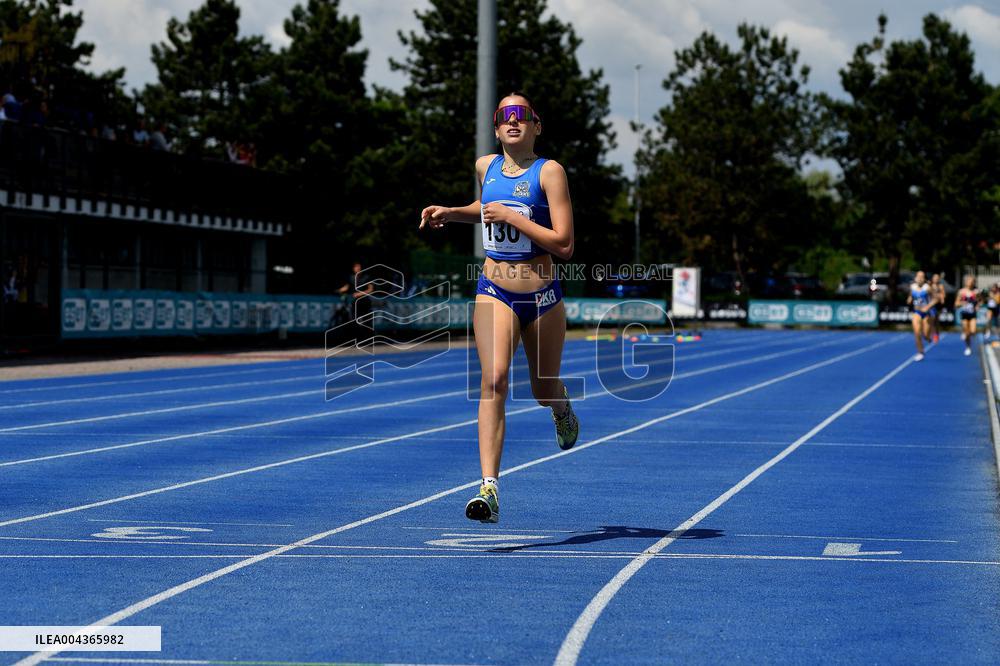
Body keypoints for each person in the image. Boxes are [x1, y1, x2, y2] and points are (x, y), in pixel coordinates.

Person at [419, 93, 579, 524]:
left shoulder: (550, 172)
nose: (513, 121)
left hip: (542, 297)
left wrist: (515, 219)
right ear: (496, 128)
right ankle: (489, 487)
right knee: (493, 379)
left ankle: (561, 406)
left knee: (543, 389)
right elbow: (486, 208)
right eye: (505, 116)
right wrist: (453, 212)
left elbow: (564, 244)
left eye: (522, 115)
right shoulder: (484, 166)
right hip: (495, 290)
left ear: (536, 126)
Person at [907, 271, 933, 361]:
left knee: (925, 335)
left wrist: (928, 307)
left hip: (926, 314)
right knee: (917, 333)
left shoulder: (927, 288)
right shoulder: (912, 287)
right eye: (918, 276)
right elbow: (911, 296)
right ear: (915, 278)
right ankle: (920, 352)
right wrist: (909, 299)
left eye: (922, 277)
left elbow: (936, 298)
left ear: (924, 279)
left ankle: (928, 337)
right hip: (917, 312)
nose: (920, 278)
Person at [954, 276, 979, 357]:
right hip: (964, 313)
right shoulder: (961, 291)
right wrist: (962, 303)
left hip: (972, 314)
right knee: (966, 331)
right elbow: (956, 303)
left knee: (973, 331)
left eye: (972, 281)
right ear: (966, 282)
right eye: (969, 281)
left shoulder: (976, 292)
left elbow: (980, 301)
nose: (970, 283)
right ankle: (968, 347)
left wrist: (978, 305)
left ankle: (966, 334)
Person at [928, 273, 945, 343]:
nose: (936, 279)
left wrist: (942, 298)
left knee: (936, 321)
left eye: (937, 278)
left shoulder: (940, 286)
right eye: (935, 278)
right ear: (932, 279)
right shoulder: (930, 286)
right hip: (931, 305)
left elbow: (943, 295)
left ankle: (937, 333)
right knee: (932, 319)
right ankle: (933, 334)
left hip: (938, 306)